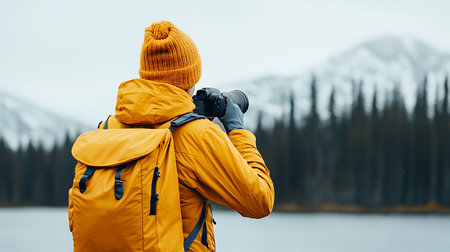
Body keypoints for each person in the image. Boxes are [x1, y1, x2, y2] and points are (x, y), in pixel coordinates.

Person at [104, 21, 274, 251]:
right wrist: (236, 129)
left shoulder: (109, 127)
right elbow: (260, 200)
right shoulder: (197, 136)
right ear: (190, 76)